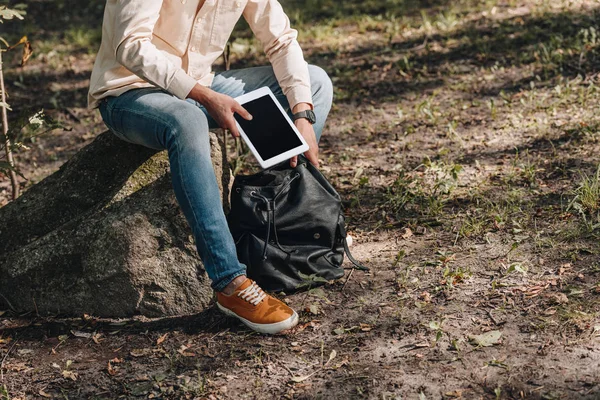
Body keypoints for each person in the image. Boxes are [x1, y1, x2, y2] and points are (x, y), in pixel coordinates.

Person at [88, 0, 333, 334]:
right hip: (129, 94)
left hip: (201, 86)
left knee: (315, 83)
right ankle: (230, 282)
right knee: (187, 118)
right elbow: (130, 45)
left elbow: (281, 40)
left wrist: (302, 114)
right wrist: (203, 96)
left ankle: (275, 238)